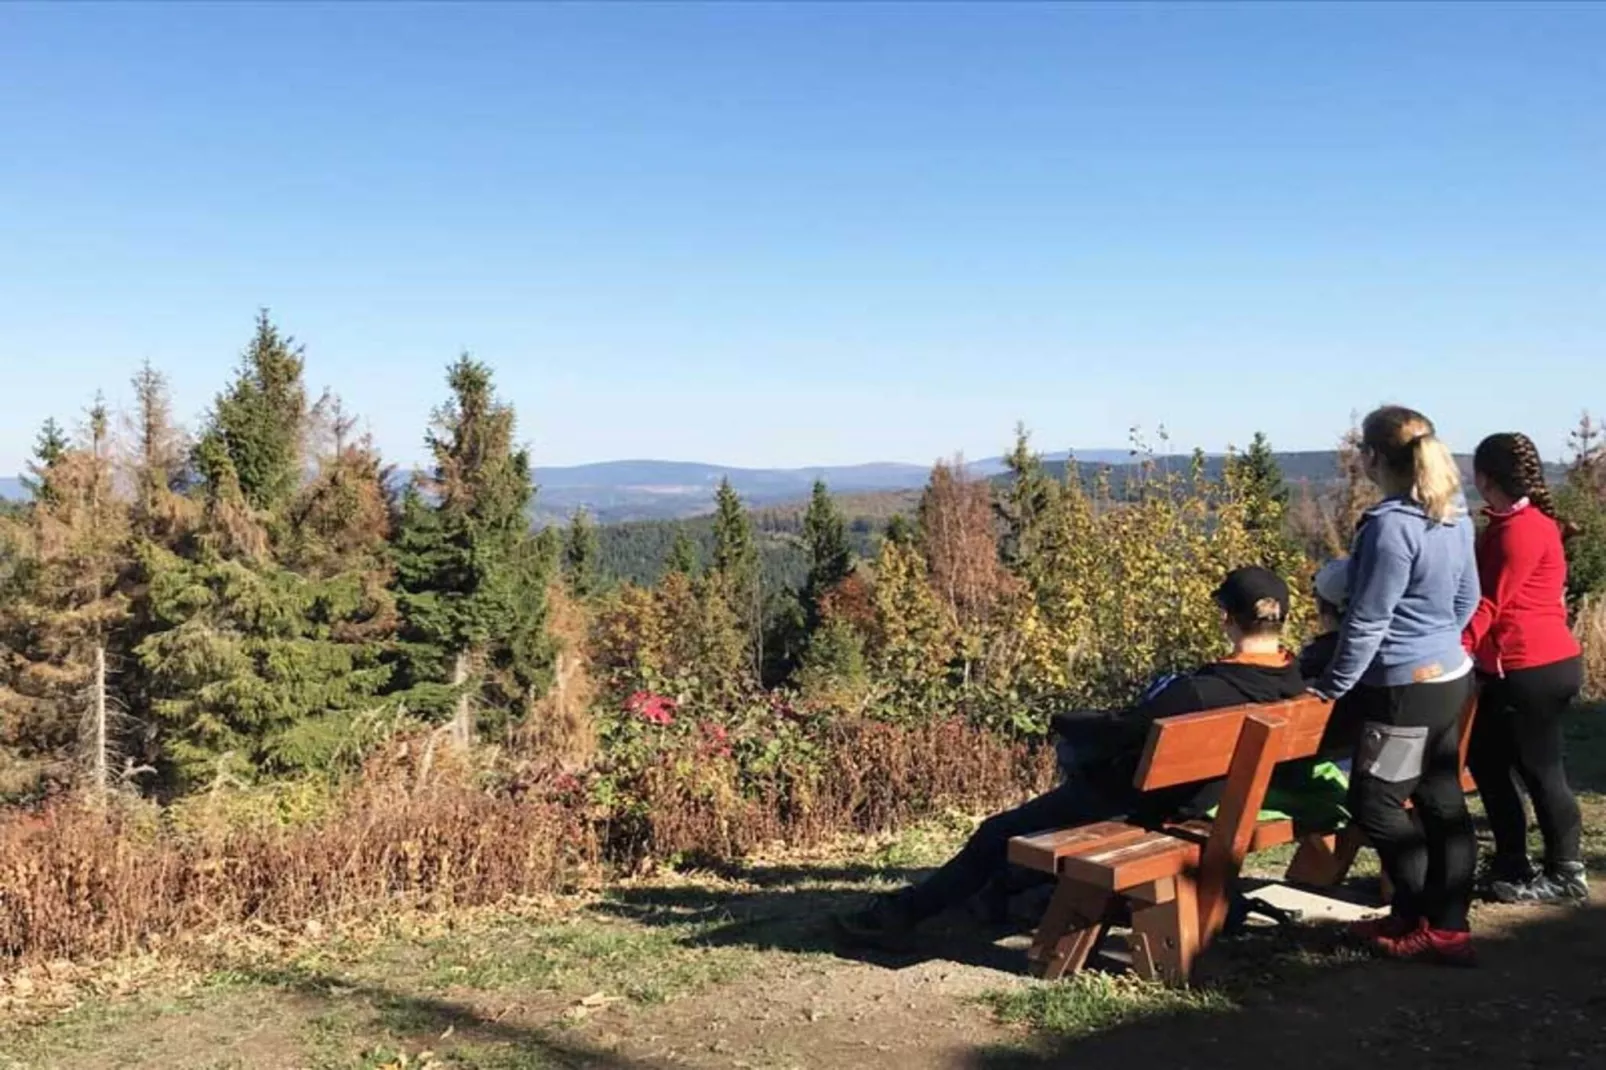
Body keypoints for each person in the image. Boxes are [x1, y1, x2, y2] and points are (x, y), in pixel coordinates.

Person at [833, 566, 1310, 953]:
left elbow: (1121, 729)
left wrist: (1065, 719)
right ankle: (1000, 892)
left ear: (1226, 618)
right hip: (1213, 803)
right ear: (1279, 621)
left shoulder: (1200, 692)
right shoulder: (1296, 685)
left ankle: (903, 915)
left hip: (1147, 808)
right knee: (1047, 807)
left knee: (999, 831)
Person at [1310, 405, 1480, 966]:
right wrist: (1437, 646)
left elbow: (1367, 618)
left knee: (1376, 799)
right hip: (1450, 675)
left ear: (1373, 457)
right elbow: (1466, 601)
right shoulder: (1454, 516)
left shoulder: (1390, 526)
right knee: (1440, 799)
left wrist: (1335, 684)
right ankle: (1445, 925)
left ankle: (1417, 914)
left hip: (1403, 689)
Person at [1463, 433, 1587, 903]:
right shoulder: (1519, 523)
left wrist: (1456, 649)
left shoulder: (1520, 530)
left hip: (1530, 666)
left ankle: (1566, 871)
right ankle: (1513, 860)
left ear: (1483, 477)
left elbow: (1491, 602)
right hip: (1525, 665)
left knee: (1540, 768)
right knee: (1490, 763)